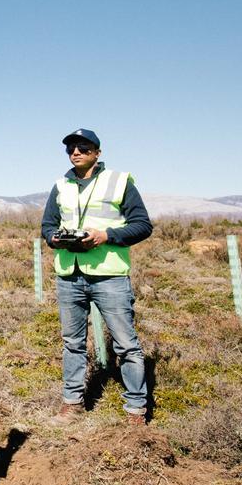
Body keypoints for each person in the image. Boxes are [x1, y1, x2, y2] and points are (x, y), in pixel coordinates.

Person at [41, 128, 153, 426]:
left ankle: (135, 410)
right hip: (70, 274)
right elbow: (47, 225)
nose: (75, 152)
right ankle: (72, 403)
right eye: (70, 149)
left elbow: (143, 225)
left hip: (109, 276)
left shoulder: (119, 181)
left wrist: (106, 235)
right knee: (72, 342)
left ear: (97, 152)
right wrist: (56, 238)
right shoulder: (60, 185)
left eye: (83, 147)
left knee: (126, 344)